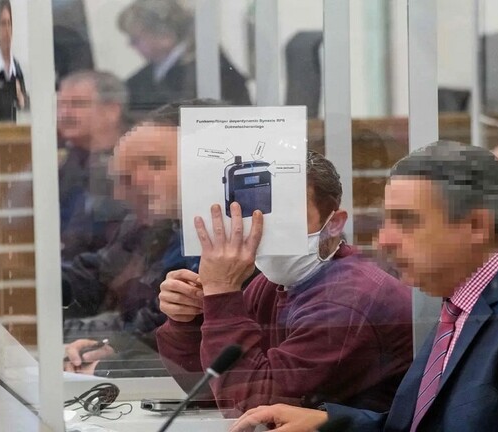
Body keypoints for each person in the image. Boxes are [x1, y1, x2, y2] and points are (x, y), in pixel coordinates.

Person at [229, 141, 498, 432]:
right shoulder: (467, 300)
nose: (385, 240)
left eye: (407, 222)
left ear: (476, 226)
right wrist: (330, 423)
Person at [156, 151, 414, 415]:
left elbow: (257, 407)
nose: (266, 232)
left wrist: (222, 294)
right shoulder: (274, 284)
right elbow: (208, 387)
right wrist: (190, 320)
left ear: (334, 224)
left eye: (288, 219)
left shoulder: (351, 300)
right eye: (258, 218)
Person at [62, 100, 215, 376]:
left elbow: (198, 351)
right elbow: (97, 276)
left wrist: (112, 362)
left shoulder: (229, 245)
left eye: (157, 165)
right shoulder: (159, 225)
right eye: (125, 176)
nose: (140, 183)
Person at [117, 0, 251, 114]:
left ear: (163, 34)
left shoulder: (212, 70)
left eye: (135, 39)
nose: (131, 45)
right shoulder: (138, 81)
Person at [57, 70, 131, 261]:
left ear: (112, 111)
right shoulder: (59, 160)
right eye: (60, 104)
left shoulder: (135, 163)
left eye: (77, 104)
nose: (64, 113)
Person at [0, 0, 28, 121]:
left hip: (13, 130)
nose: (7, 30)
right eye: (3, 24)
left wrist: (21, 98)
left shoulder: (16, 68)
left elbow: (24, 106)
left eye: (9, 23)